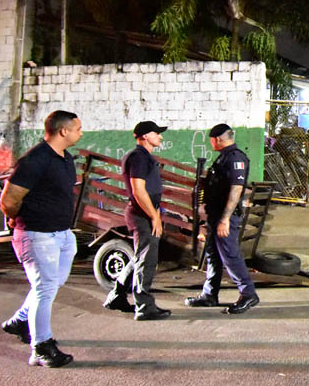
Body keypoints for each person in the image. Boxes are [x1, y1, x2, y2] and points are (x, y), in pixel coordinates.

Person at [0, 110, 83, 368]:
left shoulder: (65, 158)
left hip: (62, 234)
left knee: (52, 284)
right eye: (78, 128)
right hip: (37, 235)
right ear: (63, 131)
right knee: (44, 289)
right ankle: (42, 348)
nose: (81, 132)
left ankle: (21, 320)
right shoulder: (35, 160)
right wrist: (16, 219)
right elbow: (9, 200)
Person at [185, 124, 259, 314]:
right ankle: (209, 295)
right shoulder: (224, 158)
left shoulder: (235, 158)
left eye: (211, 140)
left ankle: (248, 294)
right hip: (215, 215)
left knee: (229, 255)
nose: (211, 144)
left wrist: (225, 219)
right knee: (213, 256)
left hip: (224, 217)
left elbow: (236, 189)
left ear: (217, 139)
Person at [103, 121, 171, 321]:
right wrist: (154, 216)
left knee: (140, 257)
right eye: (157, 133)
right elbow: (138, 190)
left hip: (144, 212)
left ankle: (116, 296)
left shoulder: (144, 157)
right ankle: (144, 307)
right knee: (146, 261)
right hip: (142, 214)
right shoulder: (139, 157)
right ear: (145, 136)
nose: (161, 137)